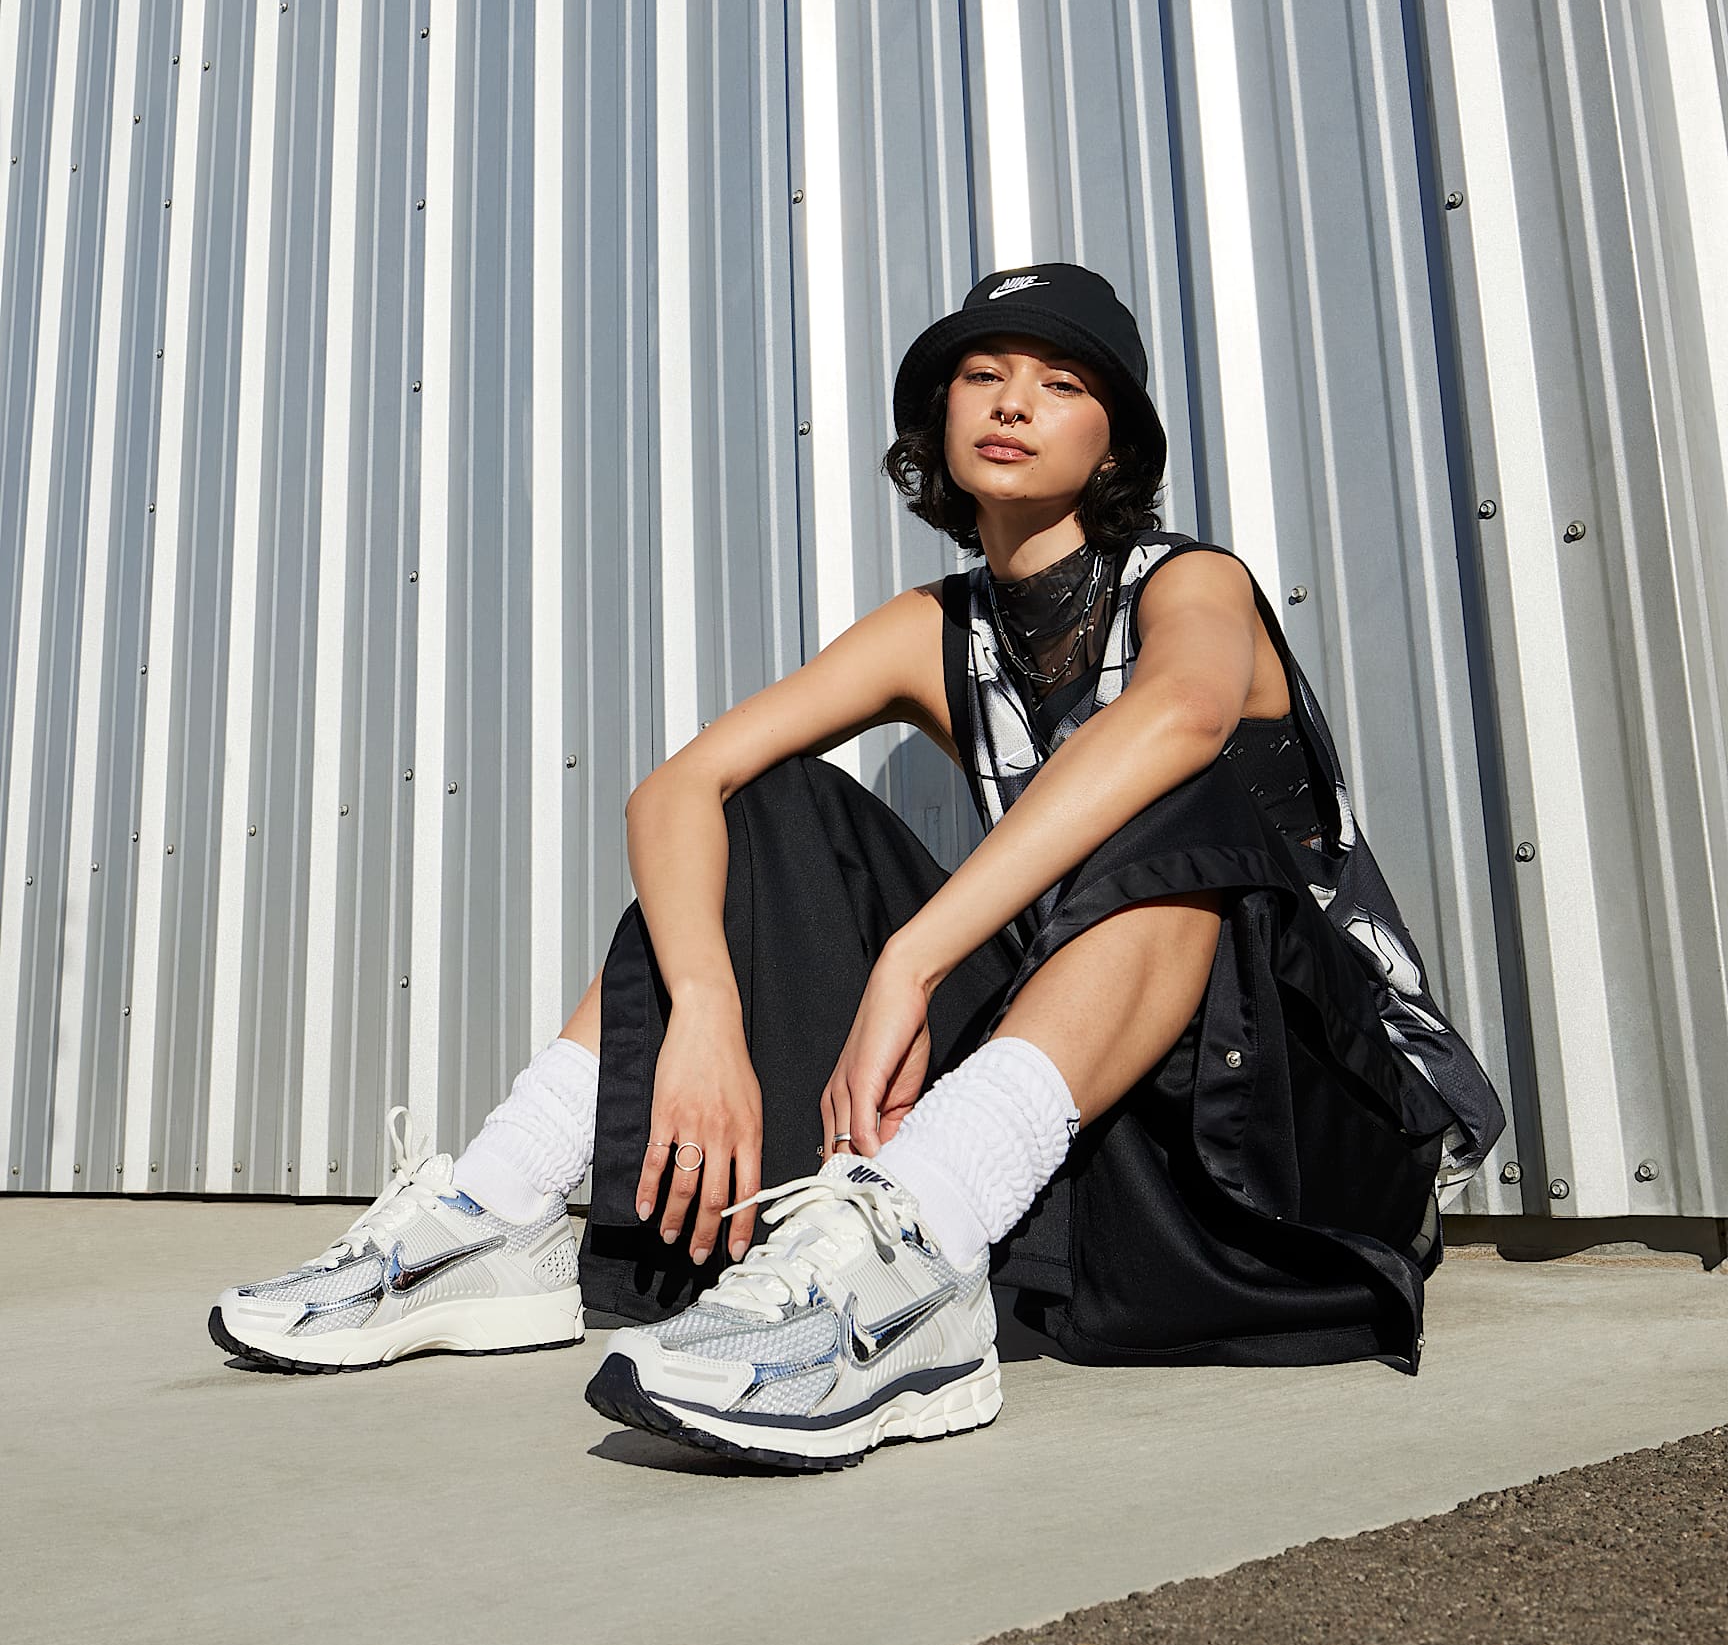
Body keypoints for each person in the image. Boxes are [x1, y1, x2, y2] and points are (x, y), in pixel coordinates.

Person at [210, 264, 1504, 1470]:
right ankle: (503, 1213)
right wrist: (708, 1014)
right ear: (938, 419)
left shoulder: (1191, 583)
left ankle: (913, 1270)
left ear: (1114, 444)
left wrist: (915, 956)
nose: (1012, 403)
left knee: (1175, 804)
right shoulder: (934, 629)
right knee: (762, 802)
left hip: (1292, 1138)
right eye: (982, 374)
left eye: (1060, 383)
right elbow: (676, 789)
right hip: (1096, 1133)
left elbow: (1181, 717)